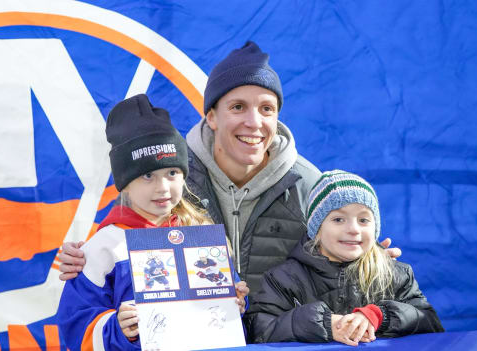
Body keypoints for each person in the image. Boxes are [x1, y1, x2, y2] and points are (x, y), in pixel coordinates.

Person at [58, 41, 401, 293]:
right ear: (211, 115)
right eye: (238, 106)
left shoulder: (309, 184)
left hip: (282, 340)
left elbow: (332, 263)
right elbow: (127, 229)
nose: (254, 122)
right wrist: (85, 257)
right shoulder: (173, 176)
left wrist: (364, 258)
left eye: (267, 109)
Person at [57, 94, 249, 350]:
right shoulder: (104, 246)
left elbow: (224, 320)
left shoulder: (199, 234)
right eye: (148, 175)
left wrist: (235, 304)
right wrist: (118, 327)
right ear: (125, 185)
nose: (162, 188)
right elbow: (75, 324)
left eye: (172, 173)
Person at [244, 171, 444, 346]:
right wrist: (325, 324)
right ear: (317, 228)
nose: (354, 229)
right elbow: (260, 329)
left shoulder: (395, 274)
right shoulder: (284, 278)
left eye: (364, 220)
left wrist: (380, 316)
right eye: (338, 219)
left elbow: (430, 322)